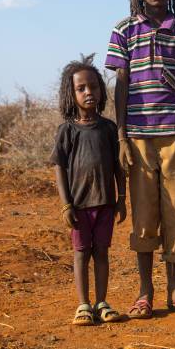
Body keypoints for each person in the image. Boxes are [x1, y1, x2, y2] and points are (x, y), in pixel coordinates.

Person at [105, 0, 175, 319]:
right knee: (145, 216)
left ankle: (174, 288)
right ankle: (145, 291)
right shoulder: (124, 30)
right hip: (139, 138)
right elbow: (121, 86)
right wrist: (121, 136)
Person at [51, 59, 127, 326]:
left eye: (93, 86)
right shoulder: (67, 131)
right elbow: (59, 167)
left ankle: (102, 302)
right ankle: (83, 305)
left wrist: (121, 199)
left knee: (102, 252)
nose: (88, 92)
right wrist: (65, 205)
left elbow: (118, 167)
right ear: (71, 94)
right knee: (81, 253)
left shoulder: (108, 129)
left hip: (105, 203)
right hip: (79, 206)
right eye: (81, 88)